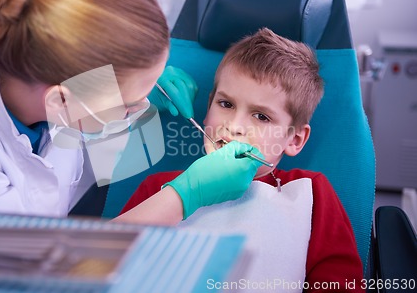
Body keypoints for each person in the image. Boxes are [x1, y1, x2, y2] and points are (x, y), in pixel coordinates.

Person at [0, 0, 262, 224]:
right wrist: (184, 196)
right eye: (128, 103)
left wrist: (135, 91)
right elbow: (31, 266)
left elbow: (80, 131)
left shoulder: (40, 72)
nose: (142, 107)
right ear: (59, 100)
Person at [120, 28, 365, 291]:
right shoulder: (158, 188)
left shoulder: (311, 193)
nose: (235, 126)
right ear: (207, 108)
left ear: (294, 139)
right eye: (226, 104)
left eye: (261, 116)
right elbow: (107, 268)